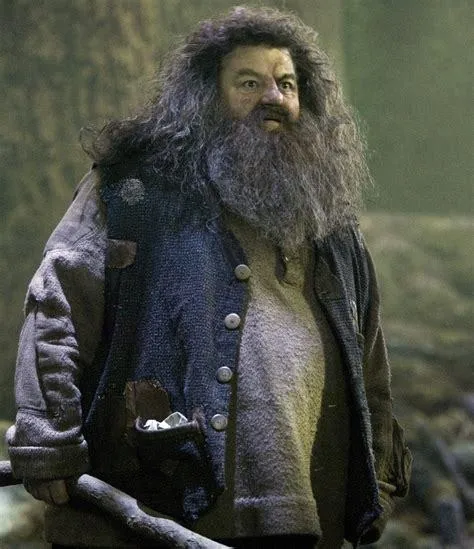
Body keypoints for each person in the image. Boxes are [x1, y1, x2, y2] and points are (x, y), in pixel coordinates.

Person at [6, 6, 412, 549]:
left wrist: (377, 478)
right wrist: (47, 438)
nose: (274, 97)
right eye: (249, 83)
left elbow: (370, 365)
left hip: (306, 516)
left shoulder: (332, 227)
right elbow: (57, 307)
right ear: (206, 96)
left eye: (287, 83)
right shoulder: (132, 193)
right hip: (158, 506)